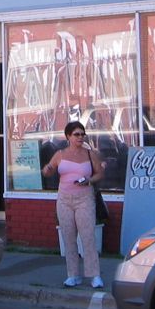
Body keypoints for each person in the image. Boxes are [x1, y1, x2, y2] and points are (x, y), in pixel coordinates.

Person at [41, 120, 105, 288]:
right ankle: (73, 275)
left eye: (82, 134)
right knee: (68, 237)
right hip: (64, 199)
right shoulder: (60, 154)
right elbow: (48, 170)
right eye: (76, 134)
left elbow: (99, 173)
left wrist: (89, 181)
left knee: (88, 236)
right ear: (68, 136)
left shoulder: (90, 154)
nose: (80, 137)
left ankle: (94, 275)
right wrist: (47, 169)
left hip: (84, 198)